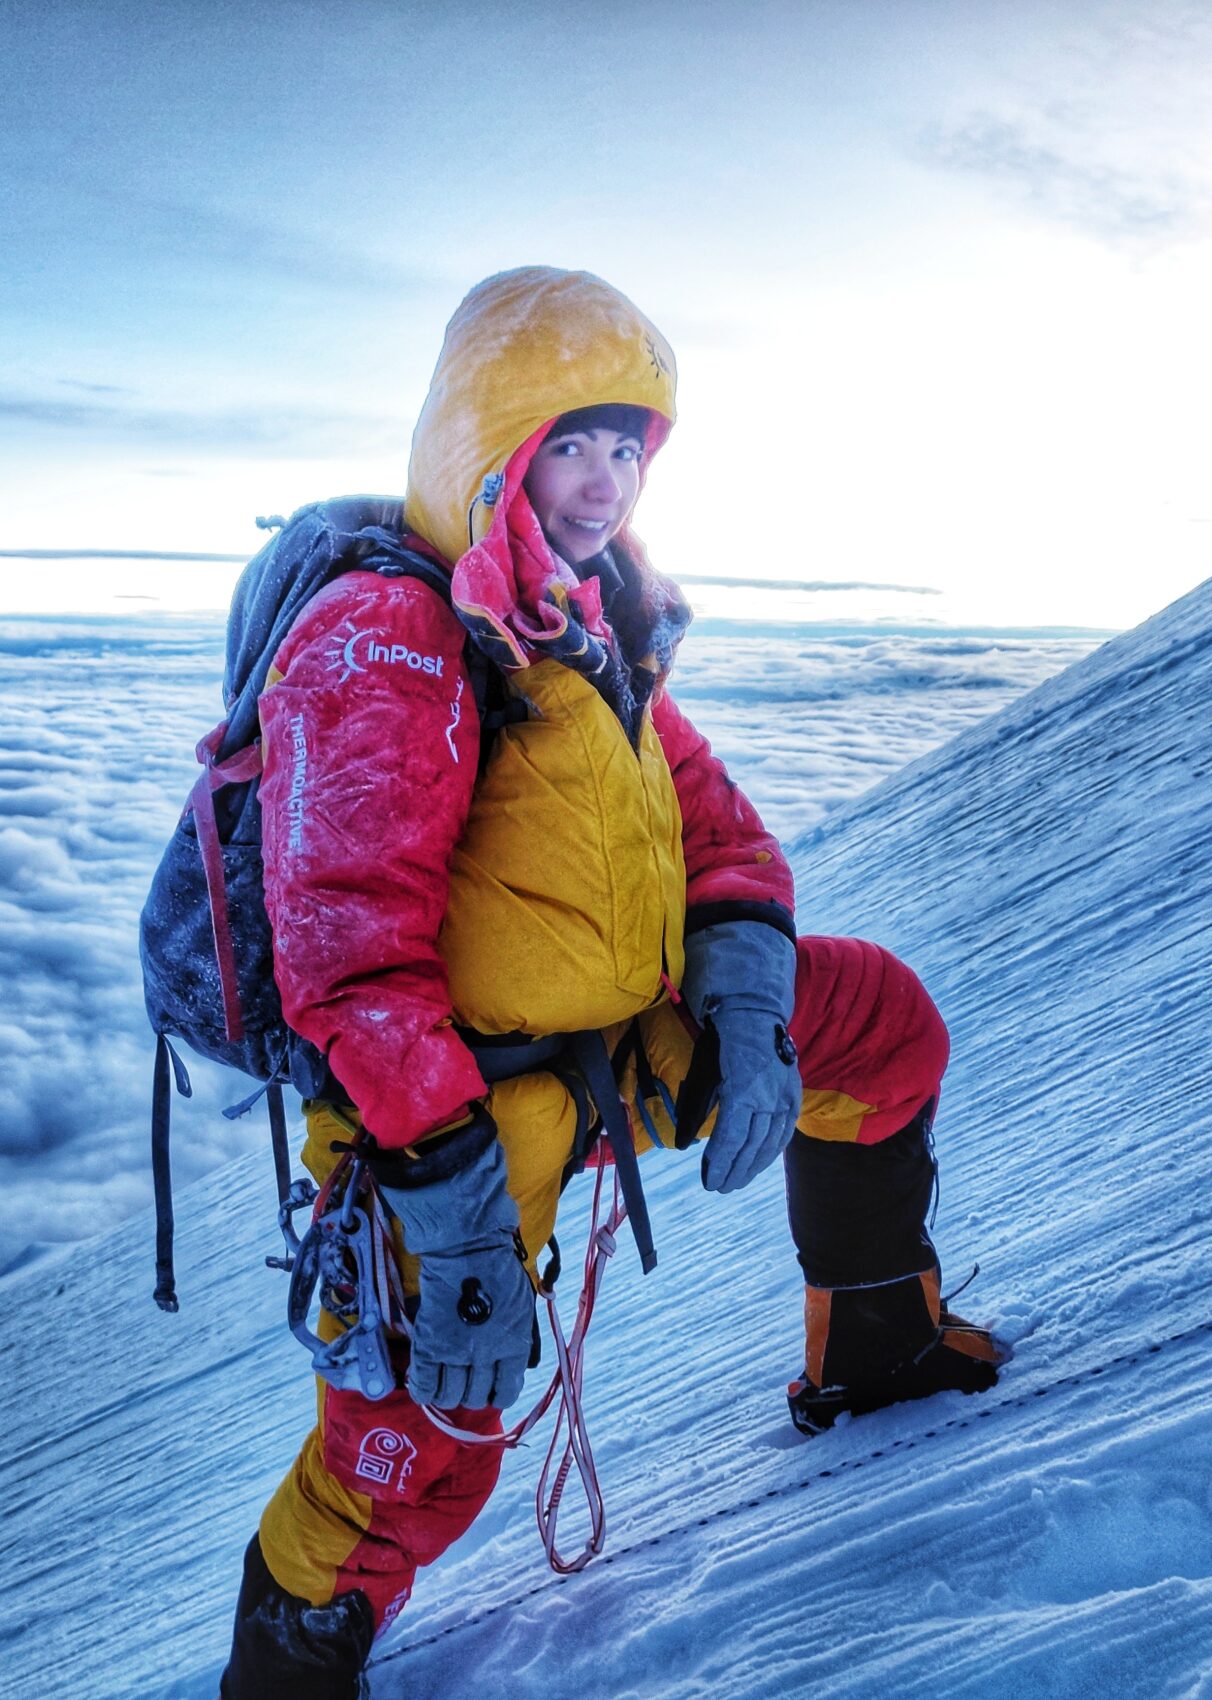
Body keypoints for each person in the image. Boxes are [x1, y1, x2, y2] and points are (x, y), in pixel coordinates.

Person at [218, 267, 1005, 1697]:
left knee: (875, 1023)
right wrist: (451, 1219)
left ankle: (874, 1347)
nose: (601, 482)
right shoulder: (389, 640)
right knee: (416, 1463)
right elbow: (349, 953)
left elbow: (717, 829)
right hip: (442, 1122)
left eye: (626, 448)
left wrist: (756, 1016)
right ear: (490, 448)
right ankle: (280, 1678)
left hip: (615, 1052)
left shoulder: (588, 622)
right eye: (568, 445)